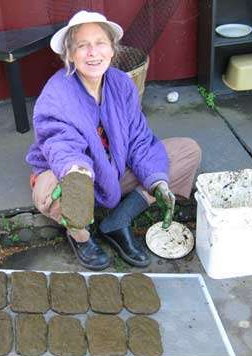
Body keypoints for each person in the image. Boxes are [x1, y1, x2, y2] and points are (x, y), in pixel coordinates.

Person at [26, 10, 201, 270]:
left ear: (112, 49)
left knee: (188, 151)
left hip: (113, 169)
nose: (93, 53)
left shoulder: (121, 84)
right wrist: (76, 173)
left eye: (100, 44)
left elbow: (139, 139)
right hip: (72, 173)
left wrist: (159, 183)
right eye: (82, 46)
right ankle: (81, 237)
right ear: (70, 55)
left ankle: (119, 220)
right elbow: (60, 143)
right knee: (51, 193)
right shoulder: (57, 93)